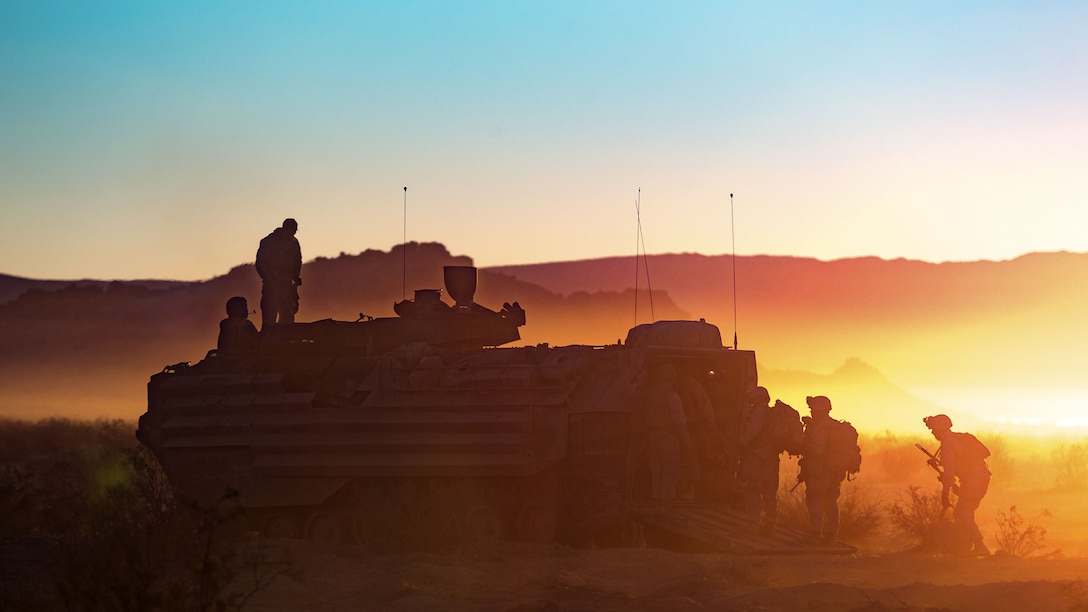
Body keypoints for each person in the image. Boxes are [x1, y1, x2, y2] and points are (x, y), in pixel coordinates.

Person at [924, 414, 992, 556]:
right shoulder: (958, 439)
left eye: (933, 429)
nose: (932, 432)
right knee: (964, 512)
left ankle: (979, 545)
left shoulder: (948, 444)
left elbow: (949, 473)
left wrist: (945, 494)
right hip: (980, 478)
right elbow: (959, 464)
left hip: (973, 480)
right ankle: (968, 545)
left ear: (939, 428)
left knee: (963, 513)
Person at [643, 363, 694, 501]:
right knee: (670, 471)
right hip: (668, 438)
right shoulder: (672, 397)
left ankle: (656, 502)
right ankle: (664, 505)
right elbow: (680, 422)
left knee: (656, 471)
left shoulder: (649, 395)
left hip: (652, 437)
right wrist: (687, 442)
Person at [798, 395, 846, 544]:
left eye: (813, 410)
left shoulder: (820, 427)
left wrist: (803, 445)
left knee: (814, 500)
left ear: (819, 411)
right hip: (833, 472)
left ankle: (815, 533)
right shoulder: (835, 425)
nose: (811, 412)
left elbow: (817, 450)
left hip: (819, 472)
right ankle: (831, 534)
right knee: (830, 502)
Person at [738, 386, 780, 536]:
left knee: (753, 489)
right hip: (772, 458)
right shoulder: (772, 414)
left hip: (757, 457)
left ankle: (752, 524)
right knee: (769, 492)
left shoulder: (758, 413)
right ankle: (770, 524)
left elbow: (753, 431)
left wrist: (741, 443)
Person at [255, 218, 302, 329]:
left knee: (287, 319)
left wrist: (295, 279)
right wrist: (269, 279)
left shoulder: (294, 243)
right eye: (292, 231)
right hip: (272, 285)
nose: (293, 234)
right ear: (285, 229)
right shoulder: (268, 242)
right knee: (269, 319)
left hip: (287, 286)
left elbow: (297, 262)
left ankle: (286, 342)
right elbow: (261, 263)